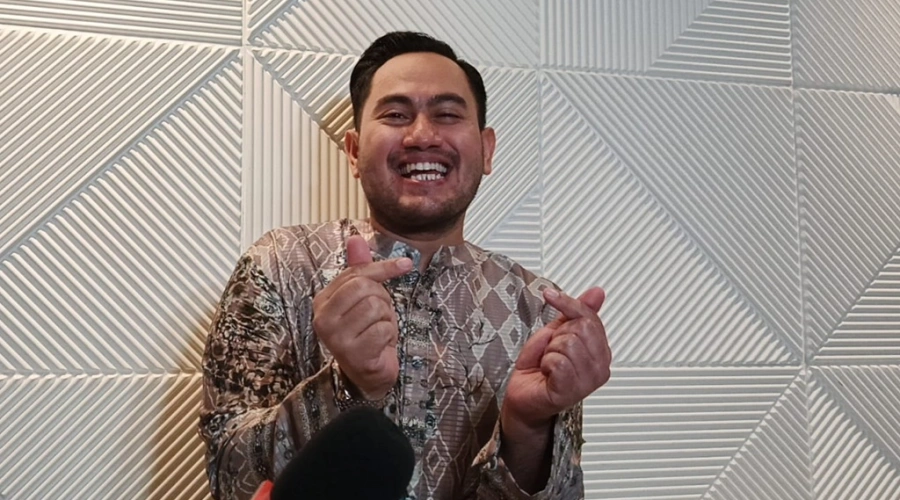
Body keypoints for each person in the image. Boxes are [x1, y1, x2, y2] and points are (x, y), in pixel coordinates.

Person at [199, 31, 611, 500]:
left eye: (447, 114)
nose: (422, 136)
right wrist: (346, 386)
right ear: (354, 151)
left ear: (487, 149)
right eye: (395, 115)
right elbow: (228, 475)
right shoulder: (280, 267)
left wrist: (530, 427)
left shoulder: (538, 311)